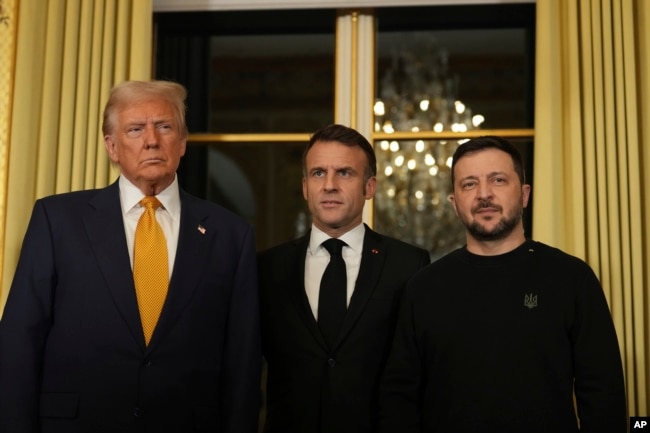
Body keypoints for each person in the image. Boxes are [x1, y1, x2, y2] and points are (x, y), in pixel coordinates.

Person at [0, 80, 261, 433]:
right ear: (112, 146)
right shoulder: (57, 220)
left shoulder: (231, 235)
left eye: (165, 127)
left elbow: (242, 361)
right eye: (135, 129)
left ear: (182, 142)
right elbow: (19, 341)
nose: (151, 140)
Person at [379, 135, 627, 433]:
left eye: (497, 180)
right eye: (469, 184)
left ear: (524, 194)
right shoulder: (423, 288)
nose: (484, 194)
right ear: (454, 203)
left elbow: (604, 397)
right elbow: (398, 400)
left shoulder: (572, 279)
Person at [258, 123, 430, 433]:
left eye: (345, 173)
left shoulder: (408, 264)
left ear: (370, 187)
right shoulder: (268, 268)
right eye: (318, 173)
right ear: (305, 187)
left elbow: (419, 372)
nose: (329, 185)